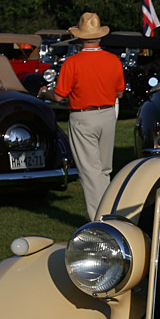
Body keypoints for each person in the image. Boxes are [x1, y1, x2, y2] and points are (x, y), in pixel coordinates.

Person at [41, 12, 124, 220]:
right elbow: (120, 92)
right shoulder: (113, 60)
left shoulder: (73, 62)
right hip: (107, 114)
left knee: (90, 172)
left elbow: (59, 96)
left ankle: (99, 220)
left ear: (80, 37)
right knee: (105, 169)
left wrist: (44, 92)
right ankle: (111, 214)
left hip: (83, 116)